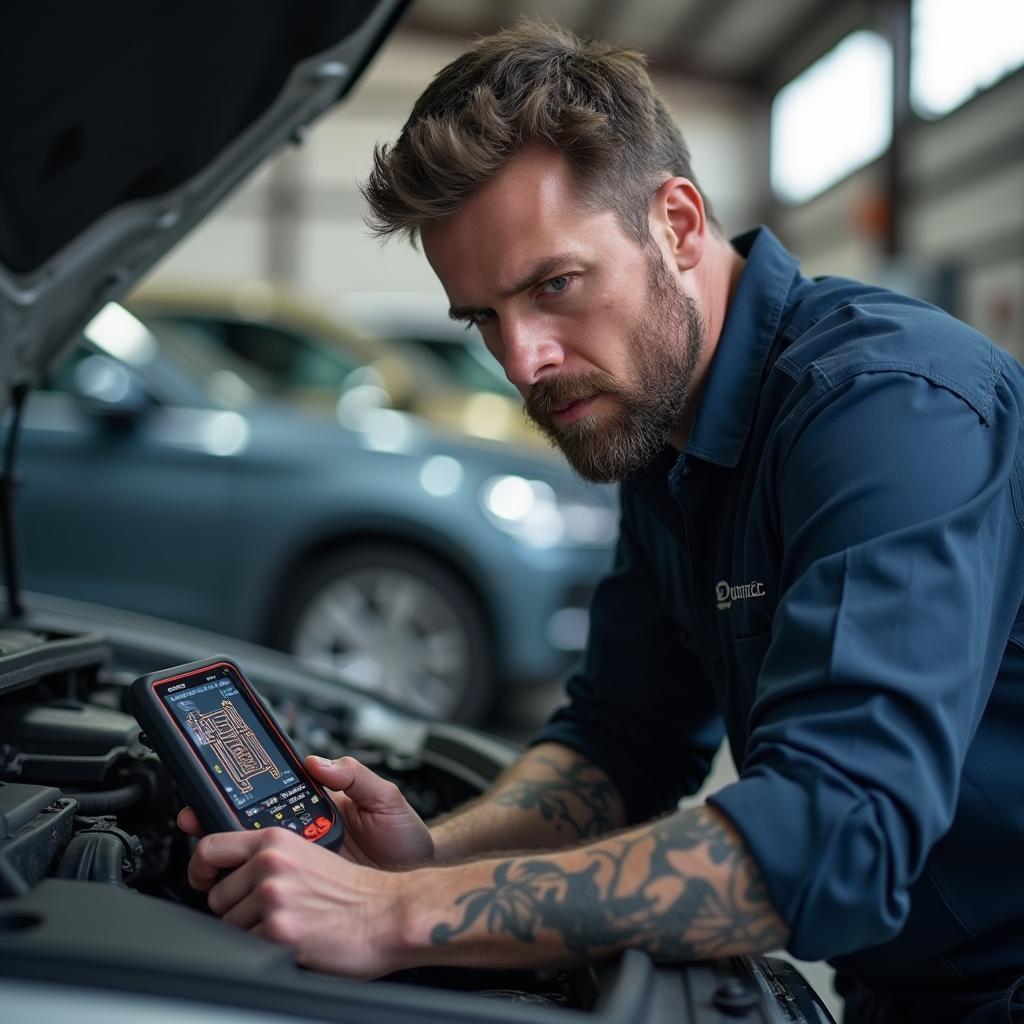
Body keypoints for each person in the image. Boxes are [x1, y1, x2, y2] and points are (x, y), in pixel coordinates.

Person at [180, 21, 1024, 1023]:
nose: (522, 359)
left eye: (554, 286)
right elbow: (620, 742)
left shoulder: (888, 409)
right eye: (484, 317)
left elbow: (835, 835)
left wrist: (393, 915)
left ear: (674, 223)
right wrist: (427, 852)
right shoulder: (660, 421)